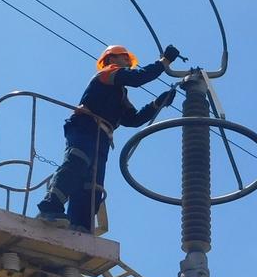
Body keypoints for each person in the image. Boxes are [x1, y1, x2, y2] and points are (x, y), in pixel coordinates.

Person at [36, 43, 180, 232]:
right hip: (85, 126)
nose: (129, 62)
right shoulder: (106, 74)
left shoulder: (120, 93)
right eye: (125, 57)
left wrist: (157, 103)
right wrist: (164, 62)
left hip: (102, 137)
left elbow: (133, 119)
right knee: (78, 162)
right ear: (111, 59)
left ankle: (80, 226)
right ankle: (50, 207)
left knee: (92, 185)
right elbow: (138, 78)